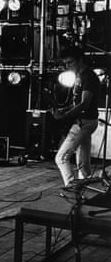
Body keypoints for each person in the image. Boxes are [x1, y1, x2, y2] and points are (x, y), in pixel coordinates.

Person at [52, 46, 99, 190]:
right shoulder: (78, 76)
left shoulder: (89, 77)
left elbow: (84, 104)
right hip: (83, 122)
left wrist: (65, 116)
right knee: (83, 162)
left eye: (70, 62)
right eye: (65, 63)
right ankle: (86, 187)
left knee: (61, 158)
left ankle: (71, 186)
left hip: (85, 123)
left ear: (80, 60)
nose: (67, 66)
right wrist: (63, 109)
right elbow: (76, 103)